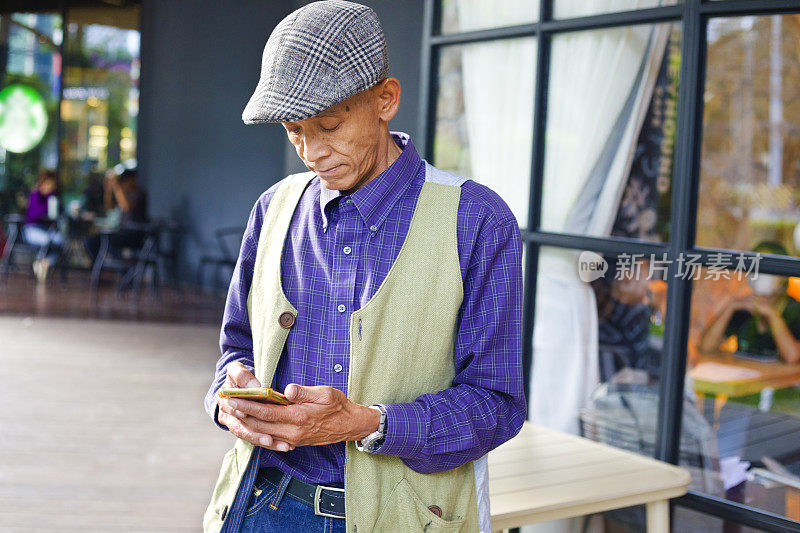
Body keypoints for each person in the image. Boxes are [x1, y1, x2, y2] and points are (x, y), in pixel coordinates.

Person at [203, 2, 525, 532]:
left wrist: (370, 423)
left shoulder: (477, 220)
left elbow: (497, 403)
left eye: (328, 125)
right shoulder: (274, 208)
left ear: (385, 100)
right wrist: (228, 398)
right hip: (262, 506)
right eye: (294, 130)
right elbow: (234, 348)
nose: (311, 151)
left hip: (405, 516)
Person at [699, 242, 800, 365]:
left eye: (767, 269)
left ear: (783, 275)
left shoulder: (795, 311)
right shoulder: (744, 309)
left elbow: (793, 358)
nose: (759, 275)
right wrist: (730, 308)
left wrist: (773, 316)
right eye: (755, 268)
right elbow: (706, 347)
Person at [84, 168, 148, 262]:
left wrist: (116, 186)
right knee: (91, 241)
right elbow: (109, 206)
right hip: (122, 232)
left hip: (133, 235)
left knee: (105, 242)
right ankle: (101, 267)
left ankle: (112, 268)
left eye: (125, 182)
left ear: (132, 180)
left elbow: (126, 207)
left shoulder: (139, 194)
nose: (124, 185)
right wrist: (108, 190)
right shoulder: (125, 194)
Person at [22, 169, 64, 282]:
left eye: (53, 184)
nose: (51, 186)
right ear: (43, 182)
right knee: (50, 241)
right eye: (49, 183)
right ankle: (42, 262)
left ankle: (44, 262)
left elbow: (59, 212)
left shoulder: (54, 196)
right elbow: (36, 214)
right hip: (32, 230)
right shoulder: (35, 195)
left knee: (62, 241)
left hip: (47, 231)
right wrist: (50, 197)